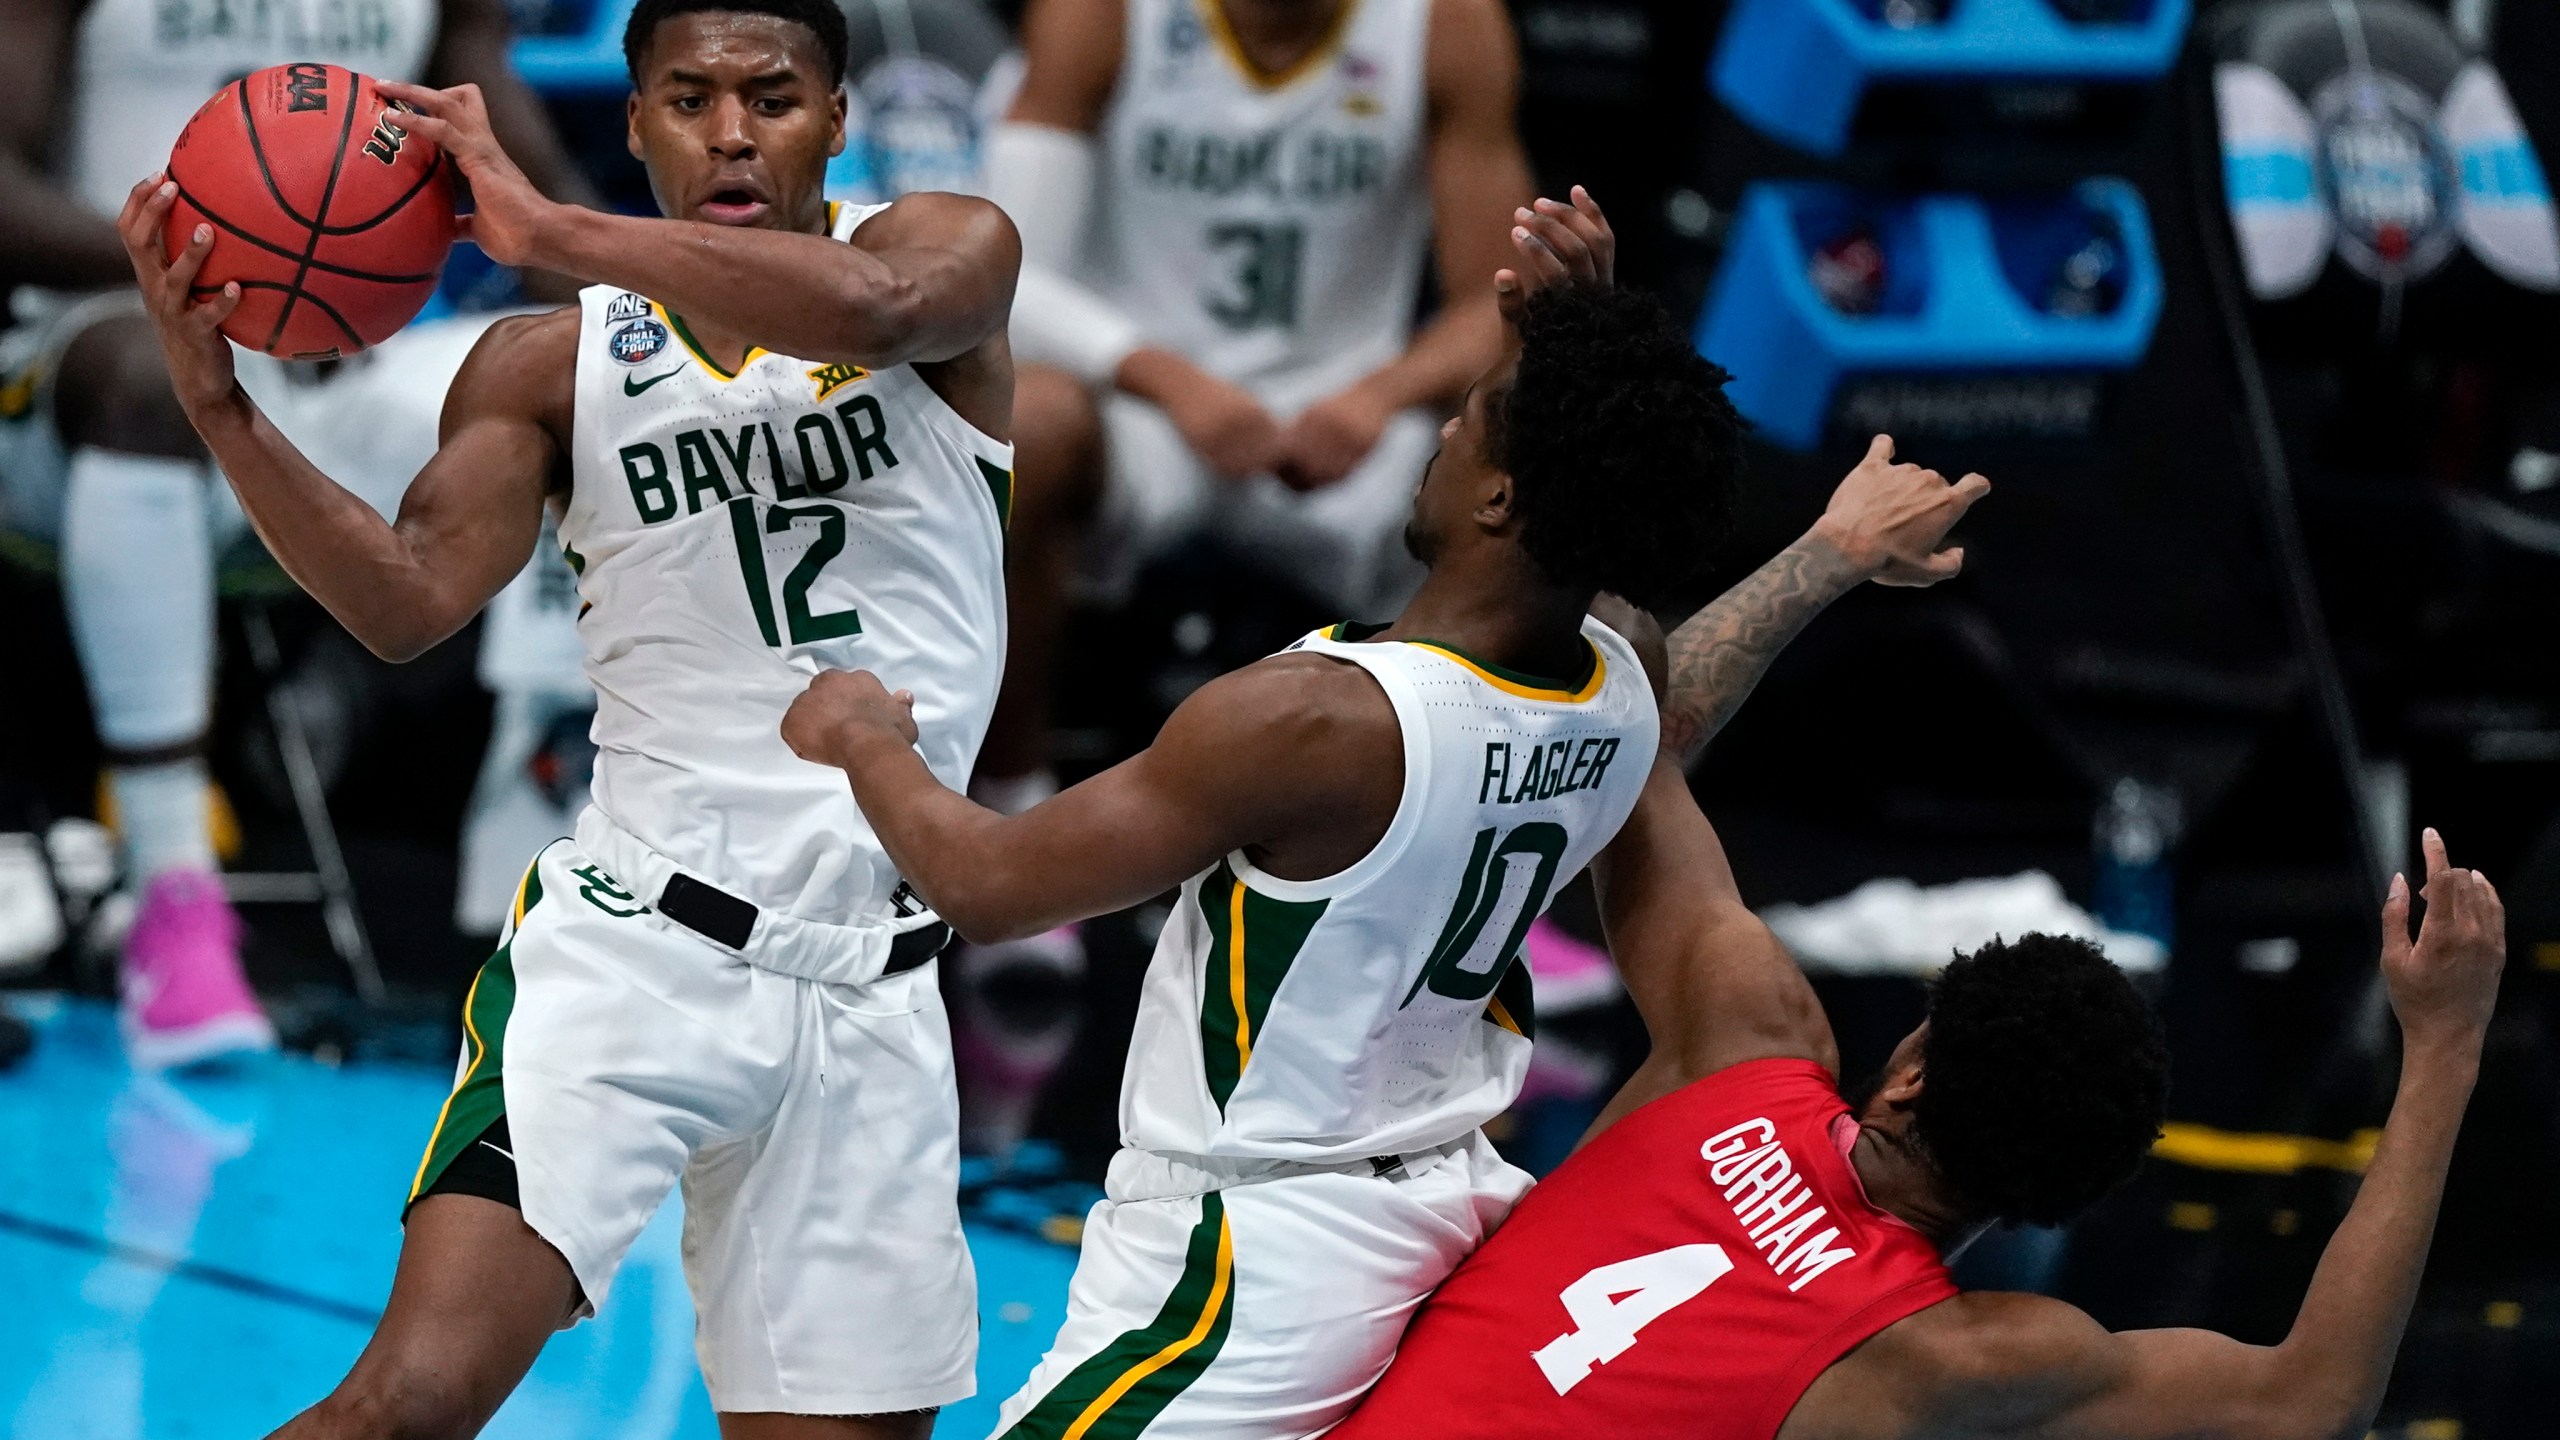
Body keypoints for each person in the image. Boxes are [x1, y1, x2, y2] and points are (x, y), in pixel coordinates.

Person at [118, 0, 1022, 1431]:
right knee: (408, 1401)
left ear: (839, 120)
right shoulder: (544, 364)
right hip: (633, 956)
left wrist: (551, 228)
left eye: (773, 98)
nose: (731, 131)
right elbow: (407, 602)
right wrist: (222, 408)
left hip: (875, 985)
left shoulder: (945, 249)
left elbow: (877, 317)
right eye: (689, 97)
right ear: (636, 121)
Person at [780, 189, 1717, 1438]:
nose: (1441, 430)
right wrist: (1570, 335)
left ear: (1500, 502)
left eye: (1473, 419)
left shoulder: (1313, 726)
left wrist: (865, 743)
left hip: (1250, 1258)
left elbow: (991, 888)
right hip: (1452, 1206)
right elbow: (1593, 476)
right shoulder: (1622, 671)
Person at [1332, 638, 2507, 1437]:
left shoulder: (1744, 1038)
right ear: (2055, 1201)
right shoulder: (1958, 1361)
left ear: (1905, 1074)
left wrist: (1828, 556)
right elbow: (2313, 1399)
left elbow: (1633, 731)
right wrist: (2444, 1044)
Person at [0, 0, 598, 1069]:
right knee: (151, 379)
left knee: (582, 384)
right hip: (95, 359)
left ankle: (565, 897)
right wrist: (207, 273)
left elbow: (526, 169)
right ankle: (172, 896)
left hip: (342, 369)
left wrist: (663, 337)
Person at [971, 0, 1536, 817]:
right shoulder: (1101, 13)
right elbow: (1007, 268)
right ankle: (1008, 809)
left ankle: (1481, 839)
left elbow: (1499, 297)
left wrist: (1380, 395)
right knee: (1031, 425)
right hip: (1147, 412)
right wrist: (1171, 381)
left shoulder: (1447, 22)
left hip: (1344, 418)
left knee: (1530, 455)